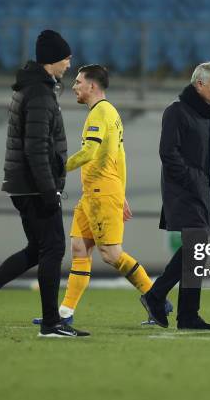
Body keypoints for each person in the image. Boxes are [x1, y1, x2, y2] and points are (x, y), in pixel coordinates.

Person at [0, 30, 89, 338]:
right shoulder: (40, 93)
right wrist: (49, 190)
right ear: (53, 59)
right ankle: (50, 323)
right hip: (34, 185)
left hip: (26, 183)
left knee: (39, 249)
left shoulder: (35, 88)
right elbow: (36, 148)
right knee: (54, 247)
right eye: (67, 58)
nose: (69, 65)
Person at [32, 65, 172, 326]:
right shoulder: (110, 112)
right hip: (95, 193)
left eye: (78, 82)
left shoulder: (100, 113)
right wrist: (121, 191)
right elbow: (120, 156)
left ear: (92, 86)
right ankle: (64, 313)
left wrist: (56, 167)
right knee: (78, 249)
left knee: (111, 254)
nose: (74, 86)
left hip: (101, 193)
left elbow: (89, 154)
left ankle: (157, 299)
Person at [140, 62, 210, 330]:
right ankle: (157, 297)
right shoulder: (176, 112)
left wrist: (207, 186)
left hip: (203, 192)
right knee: (196, 249)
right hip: (184, 192)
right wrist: (194, 180)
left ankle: (186, 314)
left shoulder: (208, 116)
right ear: (199, 84)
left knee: (197, 253)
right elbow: (168, 154)